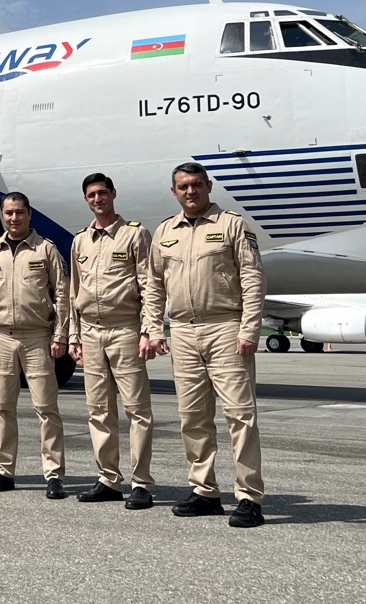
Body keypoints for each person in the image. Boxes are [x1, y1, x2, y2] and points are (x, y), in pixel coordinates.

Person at [144, 161, 267, 528]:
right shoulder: (165, 231)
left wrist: (249, 330)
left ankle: (248, 496)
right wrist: (153, 328)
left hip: (225, 328)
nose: (190, 191)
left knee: (239, 415)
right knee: (193, 417)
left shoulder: (232, 225)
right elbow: (153, 285)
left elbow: (253, 278)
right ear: (174, 191)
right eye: (183, 186)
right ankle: (204, 491)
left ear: (209, 186)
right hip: (182, 331)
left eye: (196, 184)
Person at [68, 173, 160, 509]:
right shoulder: (81, 241)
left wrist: (149, 329)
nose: (97, 199)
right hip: (90, 333)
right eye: (91, 195)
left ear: (113, 194)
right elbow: (73, 292)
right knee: (98, 411)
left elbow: (149, 285)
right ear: (86, 200)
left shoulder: (134, 235)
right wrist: (74, 336)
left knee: (138, 410)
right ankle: (108, 478)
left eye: (102, 193)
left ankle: (141, 483)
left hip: (124, 330)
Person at [0, 192, 71, 499]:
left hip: (37, 338)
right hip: (2, 338)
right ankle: (5, 472)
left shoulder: (45, 250)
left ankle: (53, 475)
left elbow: (62, 294)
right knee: (3, 408)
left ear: (29, 214)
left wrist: (60, 335)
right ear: (3, 215)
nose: (13, 218)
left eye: (19, 212)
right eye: (8, 213)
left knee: (46, 408)